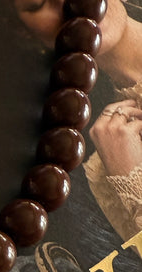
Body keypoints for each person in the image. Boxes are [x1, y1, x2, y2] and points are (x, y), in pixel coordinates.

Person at [14, 0, 142, 239]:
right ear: (27, 34)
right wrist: (129, 178)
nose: (66, 2)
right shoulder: (106, 163)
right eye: (38, 3)